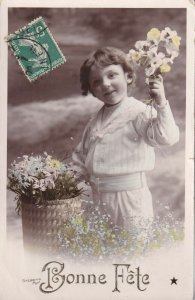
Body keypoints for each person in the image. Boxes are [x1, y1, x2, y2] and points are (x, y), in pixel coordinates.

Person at [72, 46, 179, 229]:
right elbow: (82, 157)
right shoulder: (95, 121)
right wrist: (60, 181)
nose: (105, 84)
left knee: (132, 248)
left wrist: (161, 103)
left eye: (112, 75)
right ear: (91, 90)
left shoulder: (138, 112)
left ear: (128, 77)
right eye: (97, 82)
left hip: (130, 198)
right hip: (99, 198)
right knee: (103, 249)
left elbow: (166, 137)